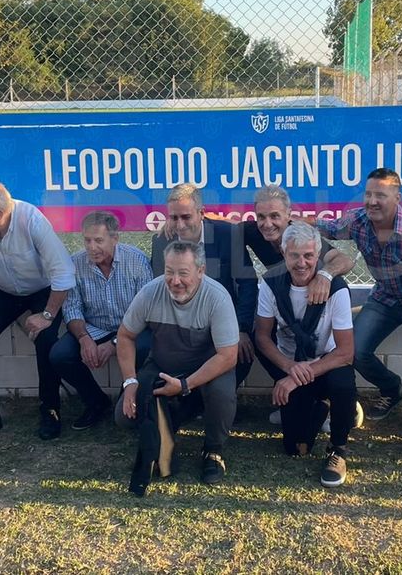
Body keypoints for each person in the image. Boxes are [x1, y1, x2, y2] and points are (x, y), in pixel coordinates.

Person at [315, 168, 402, 432]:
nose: (372, 201)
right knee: (353, 350)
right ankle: (392, 390)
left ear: (398, 197)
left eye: (380, 195)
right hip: (385, 297)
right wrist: (288, 220)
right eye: (368, 194)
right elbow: (328, 228)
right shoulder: (358, 221)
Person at [0, 180, 76, 444]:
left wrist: (47, 316)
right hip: (5, 290)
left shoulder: (31, 220)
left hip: (42, 289)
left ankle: (50, 410)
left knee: (47, 340)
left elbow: (63, 273)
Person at [115, 241, 239, 485]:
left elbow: (228, 356)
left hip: (208, 369)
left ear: (201, 271)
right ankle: (172, 422)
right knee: (123, 417)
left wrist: (185, 384)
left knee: (221, 393)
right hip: (162, 366)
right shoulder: (150, 292)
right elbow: (125, 335)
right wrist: (130, 382)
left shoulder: (217, 297)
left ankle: (214, 450)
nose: (175, 280)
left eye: (183, 273)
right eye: (169, 271)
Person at [254, 223, 356, 487]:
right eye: (294, 255)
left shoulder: (337, 289)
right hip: (290, 363)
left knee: (343, 381)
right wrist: (288, 369)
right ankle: (318, 406)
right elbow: (263, 337)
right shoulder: (270, 283)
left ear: (318, 255)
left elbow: (346, 352)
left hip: (325, 363)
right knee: (294, 448)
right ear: (284, 254)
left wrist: (295, 378)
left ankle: (338, 448)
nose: (302, 263)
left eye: (309, 255)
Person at [49, 211, 154, 431]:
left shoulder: (136, 261)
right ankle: (95, 401)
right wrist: (84, 339)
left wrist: (115, 343)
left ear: (115, 239)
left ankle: (130, 400)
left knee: (145, 347)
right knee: (60, 355)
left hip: (131, 329)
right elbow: (72, 307)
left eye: (98, 240)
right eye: (87, 240)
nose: (92, 247)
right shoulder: (75, 263)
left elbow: (146, 312)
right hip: (93, 327)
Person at [150, 183, 258, 385]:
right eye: (174, 218)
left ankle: (204, 400)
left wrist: (241, 328)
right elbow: (160, 289)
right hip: (181, 324)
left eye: (186, 217)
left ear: (201, 213)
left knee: (243, 353)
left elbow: (248, 284)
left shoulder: (228, 234)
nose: (180, 225)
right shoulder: (161, 241)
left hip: (222, 320)